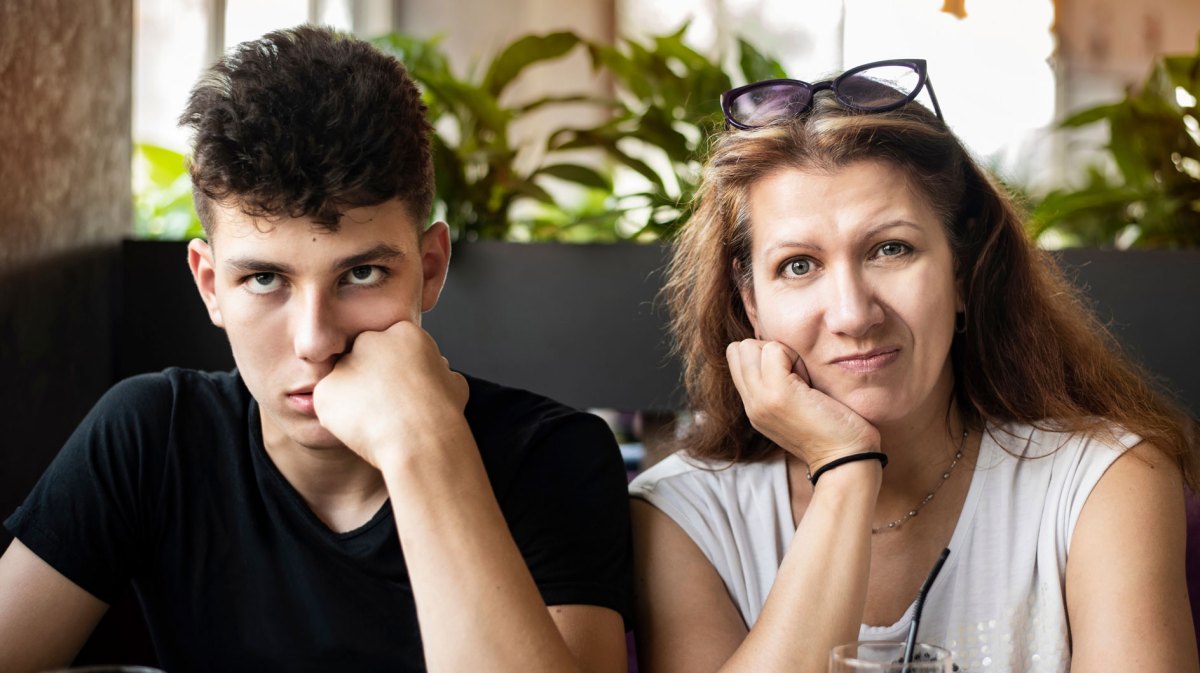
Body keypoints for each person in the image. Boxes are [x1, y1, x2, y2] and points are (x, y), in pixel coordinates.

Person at [0, 25, 631, 673]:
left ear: (431, 267)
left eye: (360, 274)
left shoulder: (554, 456)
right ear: (211, 286)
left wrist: (423, 446)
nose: (315, 341)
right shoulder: (151, 434)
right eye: (264, 279)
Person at [629, 58, 1200, 673]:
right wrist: (845, 470)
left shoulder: (1102, 482)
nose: (852, 313)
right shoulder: (682, 515)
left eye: (890, 249)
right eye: (798, 264)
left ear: (961, 271)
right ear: (751, 305)